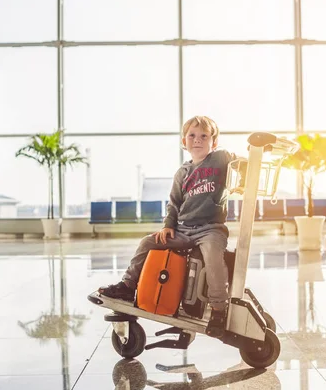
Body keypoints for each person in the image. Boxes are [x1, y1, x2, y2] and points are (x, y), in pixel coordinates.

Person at [98, 115, 238, 338]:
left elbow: (242, 163)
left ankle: (219, 308)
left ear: (214, 141)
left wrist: (258, 151)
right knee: (148, 242)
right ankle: (127, 286)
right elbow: (174, 203)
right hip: (184, 229)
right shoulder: (182, 172)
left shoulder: (220, 158)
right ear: (184, 141)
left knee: (213, 256)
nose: (198, 140)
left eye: (204, 136)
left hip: (211, 229)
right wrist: (168, 226)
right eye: (192, 135)